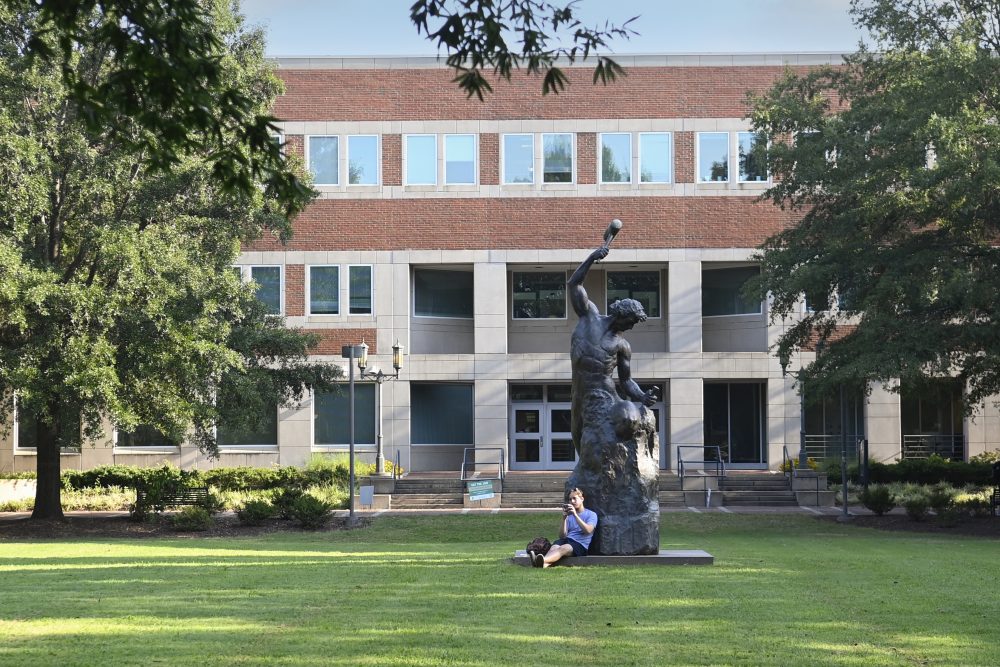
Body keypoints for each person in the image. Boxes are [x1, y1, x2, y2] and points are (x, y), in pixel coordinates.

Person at [568, 245, 657, 452]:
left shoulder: (622, 346)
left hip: (607, 397)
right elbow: (574, 284)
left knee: (627, 421)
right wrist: (592, 258)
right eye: (631, 320)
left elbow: (626, 381)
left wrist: (642, 396)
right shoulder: (589, 317)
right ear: (621, 314)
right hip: (581, 396)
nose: (631, 326)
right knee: (580, 442)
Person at [529, 487, 597, 568]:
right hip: (567, 540)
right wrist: (564, 519)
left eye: (574, 498)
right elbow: (562, 536)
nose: (572, 501)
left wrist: (575, 515)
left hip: (580, 545)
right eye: (570, 499)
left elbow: (588, 530)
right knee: (554, 547)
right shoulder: (569, 515)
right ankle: (543, 564)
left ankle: (540, 560)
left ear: (582, 498)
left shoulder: (591, 514)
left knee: (564, 548)